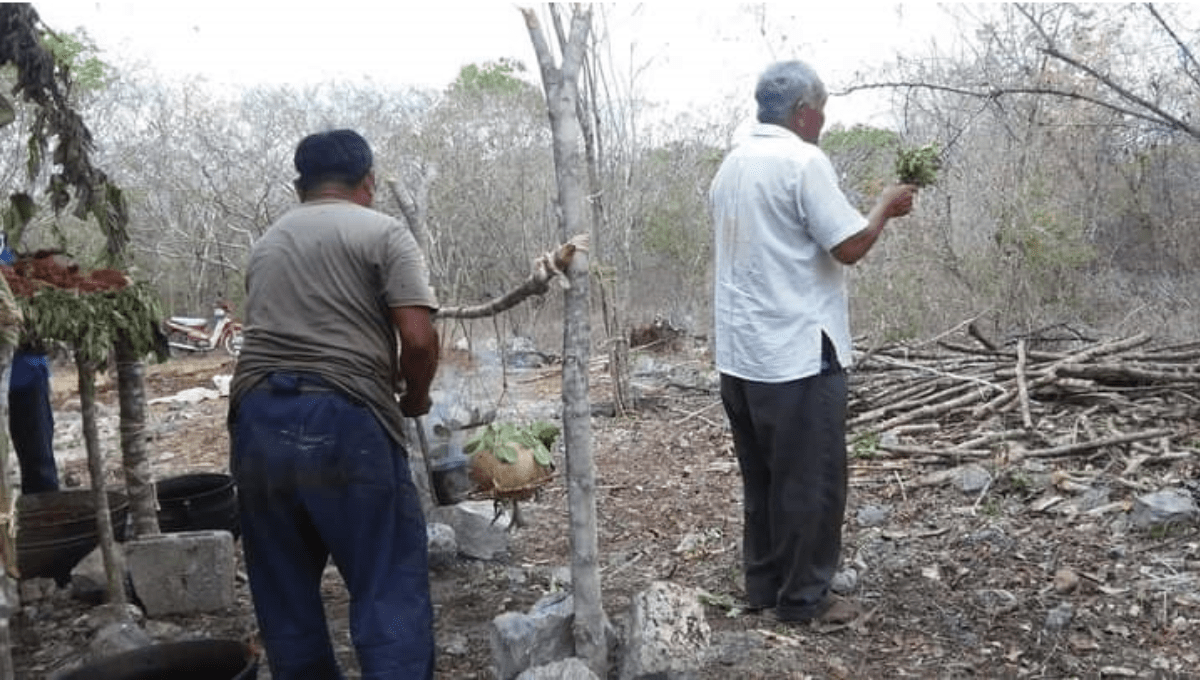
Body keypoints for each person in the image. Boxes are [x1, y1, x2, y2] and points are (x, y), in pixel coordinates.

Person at [708, 60, 917, 625]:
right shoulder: (802, 162)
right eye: (821, 112)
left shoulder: (733, 164)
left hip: (741, 355)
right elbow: (848, 246)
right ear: (804, 113)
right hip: (796, 352)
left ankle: (763, 585)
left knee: (762, 478)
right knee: (812, 481)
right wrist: (885, 207)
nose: (823, 122)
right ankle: (805, 599)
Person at [228, 129, 440, 679]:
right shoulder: (383, 232)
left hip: (257, 418)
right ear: (368, 182)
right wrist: (416, 397)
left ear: (300, 186)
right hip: (344, 418)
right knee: (387, 579)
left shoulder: (268, 242)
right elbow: (418, 340)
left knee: (284, 587)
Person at [1, 239, 60, 494]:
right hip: (23, 366)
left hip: (27, 367)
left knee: (39, 457)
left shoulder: (10, 257)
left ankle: (45, 506)